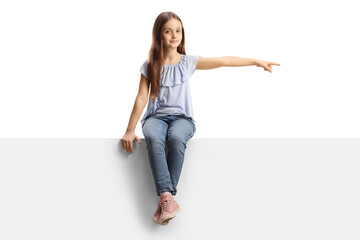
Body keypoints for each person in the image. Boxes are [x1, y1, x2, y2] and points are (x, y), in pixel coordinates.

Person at [121, 11, 280, 226]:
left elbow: (224, 60)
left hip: (182, 119)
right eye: (168, 31)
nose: (174, 35)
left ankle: (165, 197)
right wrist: (130, 130)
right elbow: (141, 97)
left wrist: (255, 61)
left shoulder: (188, 62)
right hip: (155, 118)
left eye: (178, 31)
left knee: (177, 139)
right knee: (153, 137)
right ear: (159, 35)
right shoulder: (150, 65)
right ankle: (168, 198)